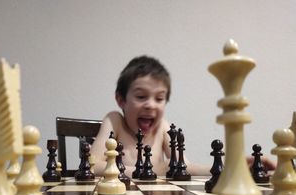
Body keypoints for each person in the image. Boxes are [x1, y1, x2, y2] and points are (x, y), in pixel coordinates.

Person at [90, 55, 276, 177]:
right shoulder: (115, 121)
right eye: (141, 96)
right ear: (121, 99)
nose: (150, 105)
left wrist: (234, 167)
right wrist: (153, 170)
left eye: (159, 98)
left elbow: (186, 167)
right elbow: (92, 166)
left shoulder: (162, 127)